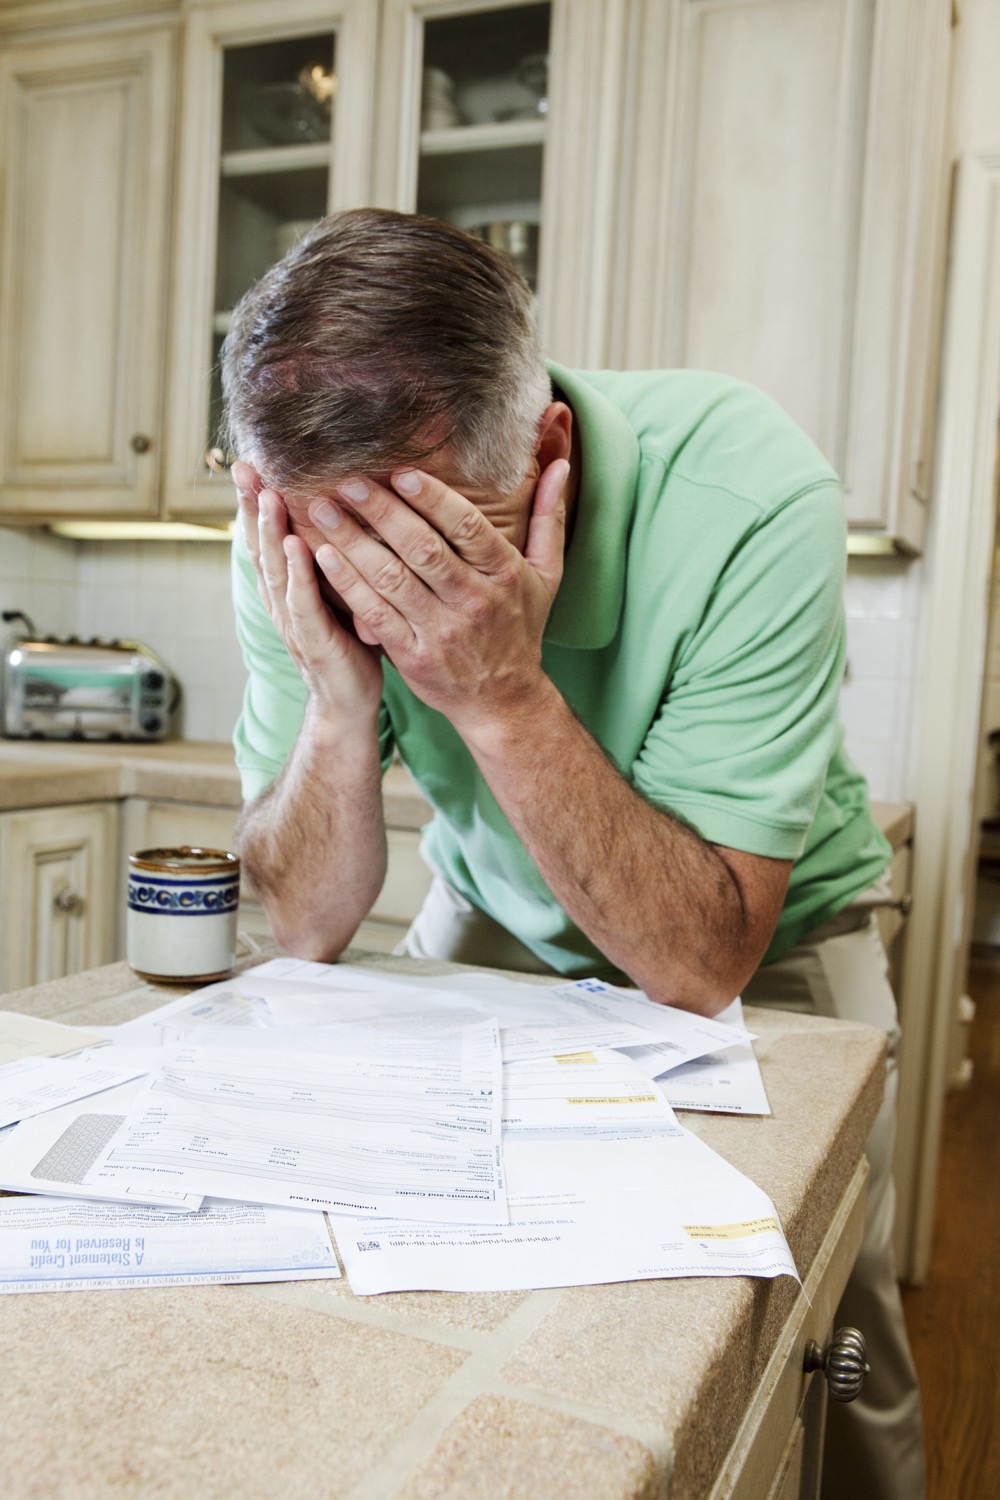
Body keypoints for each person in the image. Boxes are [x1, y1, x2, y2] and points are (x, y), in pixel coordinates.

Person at [222, 207, 924, 1498]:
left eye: (435, 546)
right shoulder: (290, 529)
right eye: (345, 550)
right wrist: (338, 703)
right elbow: (301, 930)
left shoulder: (747, 490)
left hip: (766, 941)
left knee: (827, 1328)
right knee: (444, 1285)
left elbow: (701, 957)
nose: (383, 592)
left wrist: (500, 696)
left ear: (548, 453)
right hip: (490, 910)